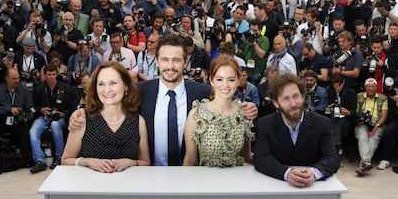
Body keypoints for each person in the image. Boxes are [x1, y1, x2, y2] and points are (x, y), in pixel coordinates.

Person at [70, 34, 258, 165]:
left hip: (191, 174)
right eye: (165, 60)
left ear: (185, 62)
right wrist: (79, 113)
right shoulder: (139, 91)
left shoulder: (204, 92)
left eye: (176, 60)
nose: (170, 66)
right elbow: (108, 102)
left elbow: (227, 102)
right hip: (149, 174)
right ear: (157, 61)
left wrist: (248, 108)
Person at [253, 73, 340, 188]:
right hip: (276, 187)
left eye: (296, 96)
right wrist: (286, 173)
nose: (293, 104)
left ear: (303, 96)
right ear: (276, 103)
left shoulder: (322, 123)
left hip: (313, 189)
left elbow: (332, 158)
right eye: (286, 98)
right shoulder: (264, 124)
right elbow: (260, 158)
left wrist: (314, 173)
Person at [62, 61, 150, 172]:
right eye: (101, 84)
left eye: (113, 83)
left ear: (126, 86)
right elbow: (65, 160)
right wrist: (87, 161)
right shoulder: (82, 118)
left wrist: (132, 162)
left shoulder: (138, 121)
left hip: (128, 187)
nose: (107, 89)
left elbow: (145, 162)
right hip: (91, 187)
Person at [183, 55, 254, 166]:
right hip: (205, 180)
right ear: (211, 80)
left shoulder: (243, 112)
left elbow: (247, 156)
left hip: (237, 180)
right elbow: (190, 160)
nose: (225, 85)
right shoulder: (197, 114)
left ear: (238, 81)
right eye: (219, 79)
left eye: (231, 80)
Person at [29, 64, 73, 173]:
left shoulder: (66, 88)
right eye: (49, 74)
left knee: (55, 125)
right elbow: (32, 106)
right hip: (44, 116)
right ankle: (40, 161)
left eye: (54, 74)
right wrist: (41, 109)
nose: (52, 77)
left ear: (57, 74)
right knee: (33, 131)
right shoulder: (39, 88)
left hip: (59, 118)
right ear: (45, 75)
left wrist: (64, 114)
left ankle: (59, 157)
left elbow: (71, 106)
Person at [0, 68, 34, 166]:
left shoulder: (25, 91)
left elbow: (31, 110)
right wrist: (9, 109)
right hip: (3, 120)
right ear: (6, 79)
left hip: (19, 122)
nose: (17, 81)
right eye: (13, 79)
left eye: (18, 78)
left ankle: (25, 160)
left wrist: (26, 118)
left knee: (24, 132)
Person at [354, 78, 388, 176]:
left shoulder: (383, 98)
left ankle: (363, 163)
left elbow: (384, 115)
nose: (371, 88)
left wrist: (376, 127)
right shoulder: (359, 96)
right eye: (368, 86)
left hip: (378, 124)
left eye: (373, 86)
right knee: (362, 135)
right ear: (365, 87)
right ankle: (366, 162)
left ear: (376, 87)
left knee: (373, 138)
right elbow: (356, 112)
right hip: (362, 123)